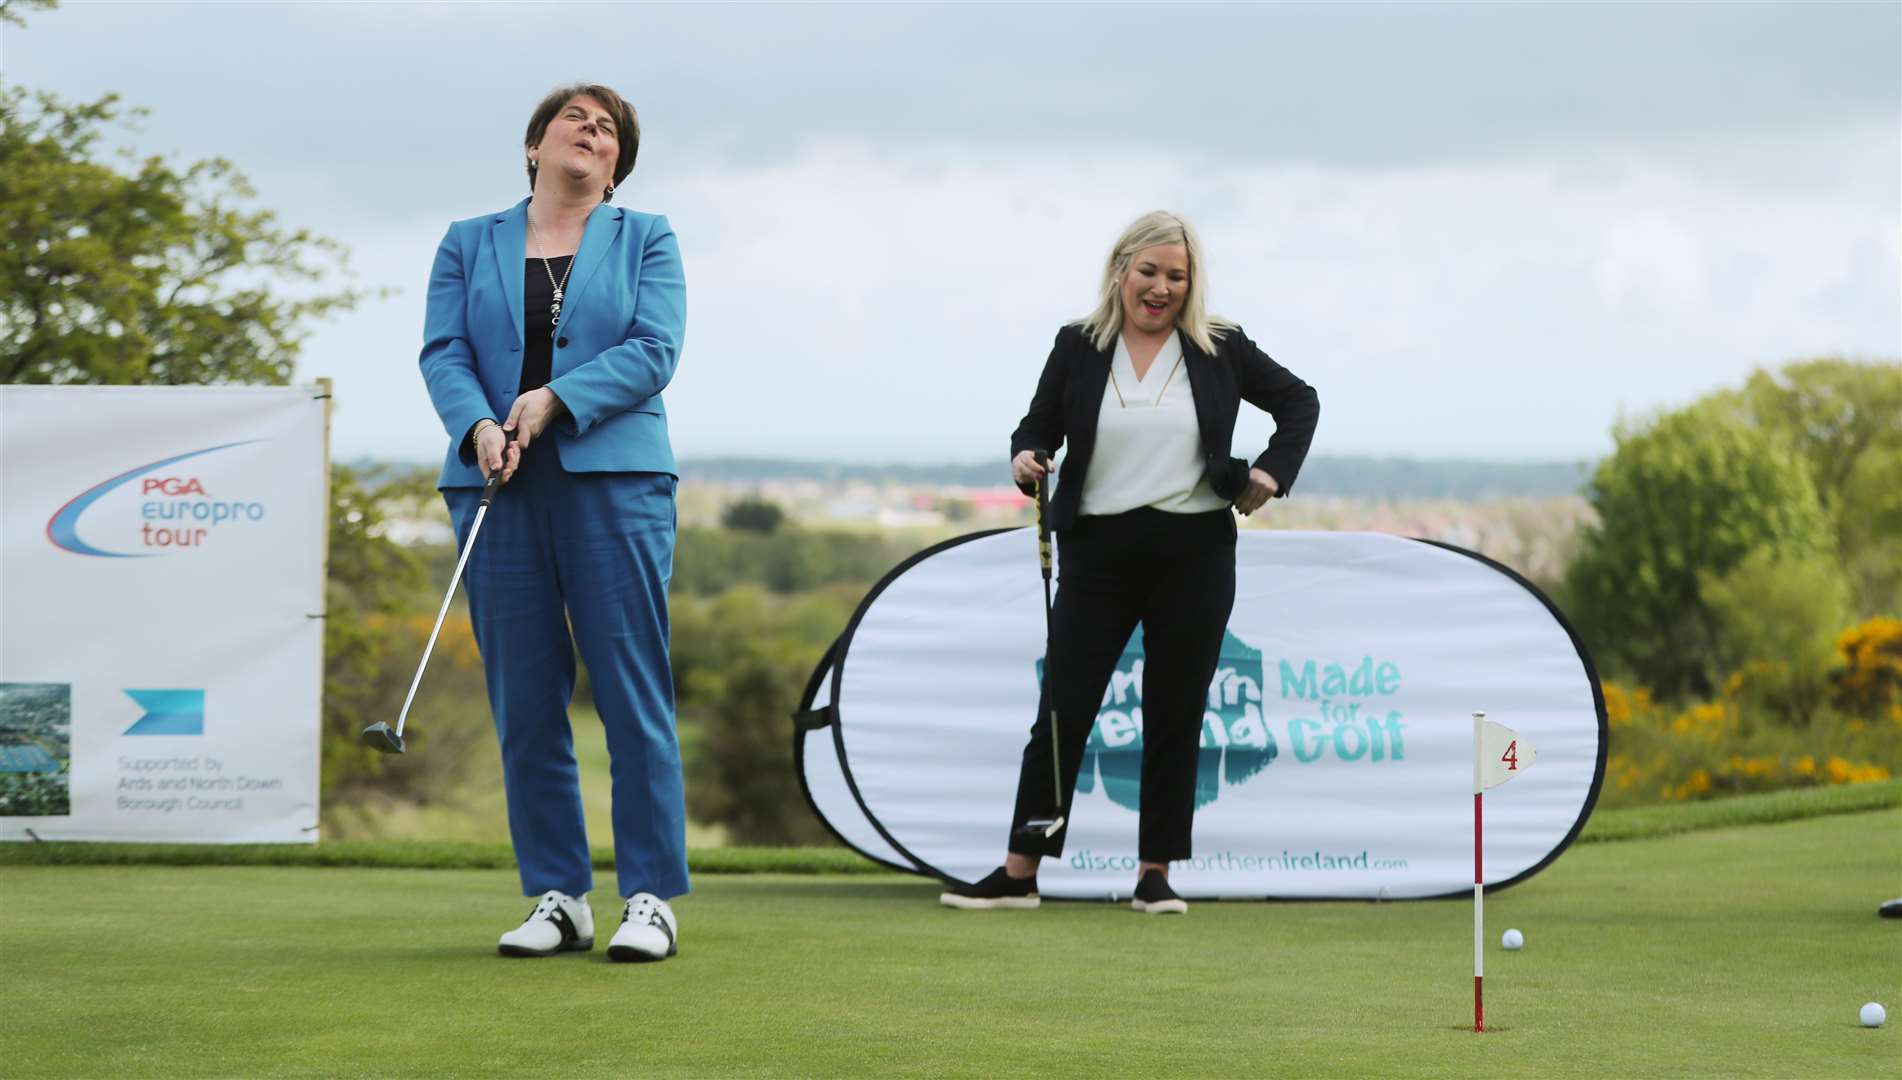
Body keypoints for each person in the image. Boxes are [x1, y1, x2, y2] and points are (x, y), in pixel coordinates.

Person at [940, 211, 1319, 915]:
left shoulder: (1221, 346)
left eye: (1177, 276)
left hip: (1195, 551)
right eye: (1150, 272)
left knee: (1175, 712)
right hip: (1098, 553)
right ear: (1121, 270)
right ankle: (1019, 872)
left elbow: (1299, 402)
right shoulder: (1078, 345)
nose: (1162, 288)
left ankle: (1155, 873)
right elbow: (1037, 426)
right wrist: (1025, 458)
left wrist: (1271, 473)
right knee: (1064, 708)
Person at [417, 83, 687, 961]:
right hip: (495, 481)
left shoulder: (648, 237)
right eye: (576, 119)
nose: (592, 132)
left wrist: (554, 400)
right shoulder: (468, 241)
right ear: (535, 145)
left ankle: (646, 897)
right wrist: (481, 424)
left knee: (628, 690)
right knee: (526, 700)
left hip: (616, 479)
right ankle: (560, 896)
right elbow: (445, 352)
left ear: (616, 166)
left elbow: (654, 351)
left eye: (608, 130)